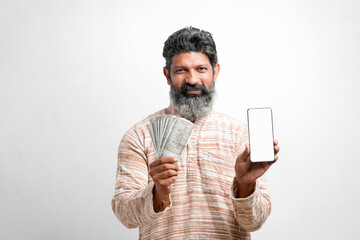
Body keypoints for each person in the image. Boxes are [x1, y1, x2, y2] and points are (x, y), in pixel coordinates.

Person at [111, 26, 280, 239]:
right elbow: (125, 214)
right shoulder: (139, 135)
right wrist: (158, 192)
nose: (192, 80)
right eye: (181, 70)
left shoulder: (240, 136)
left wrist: (245, 185)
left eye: (201, 69)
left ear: (215, 71)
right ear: (167, 75)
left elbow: (254, 222)